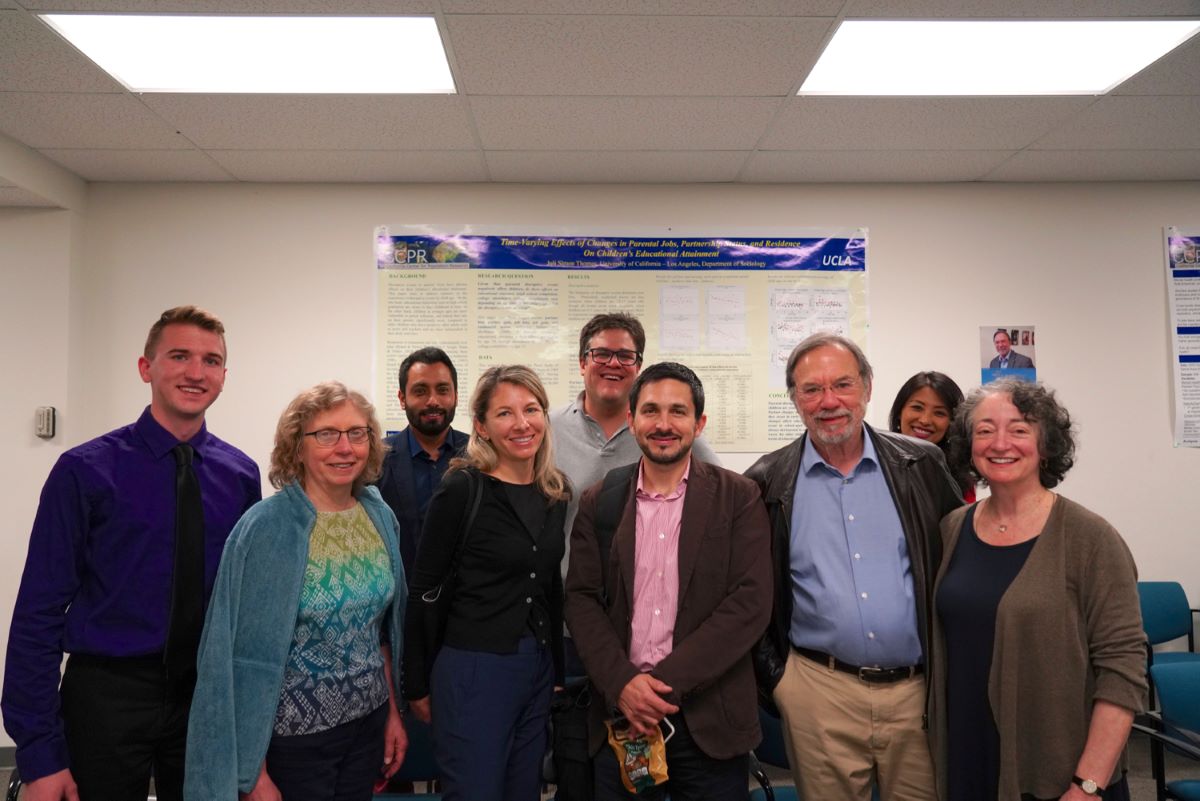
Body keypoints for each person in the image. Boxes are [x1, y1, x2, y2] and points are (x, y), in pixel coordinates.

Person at [1, 306, 261, 801]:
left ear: (224, 376)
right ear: (147, 368)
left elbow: (246, 609)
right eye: (179, 356)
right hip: (108, 695)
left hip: (203, 696)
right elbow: (38, 611)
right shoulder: (84, 471)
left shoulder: (241, 476)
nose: (195, 372)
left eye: (211, 361)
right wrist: (39, 755)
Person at [745, 333, 962, 801]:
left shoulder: (921, 464)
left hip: (917, 693)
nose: (829, 402)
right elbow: (749, 595)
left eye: (842, 385)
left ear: (866, 388)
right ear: (794, 399)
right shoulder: (765, 482)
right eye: (811, 389)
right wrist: (780, 682)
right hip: (818, 692)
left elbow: (957, 566)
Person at [185, 382, 407, 801]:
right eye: (326, 434)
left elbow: (380, 632)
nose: (345, 447)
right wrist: (252, 773)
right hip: (292, 742)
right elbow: (236, 660)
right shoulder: (264, 529)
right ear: (297, 447)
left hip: (366, 725)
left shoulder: (378, 515)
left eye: (357, 433)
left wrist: (393, 715)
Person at [930, 378, 1145, 801]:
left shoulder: (1090, 537)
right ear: (969, 445)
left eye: (1020, 429)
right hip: (969, 757)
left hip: (1060, 771)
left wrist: (1088, 784)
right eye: (985, 430)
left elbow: (1123, 671)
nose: (1000, 442)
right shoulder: (953, 528)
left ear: (1045, 446)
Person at [565, 362, 772, 801]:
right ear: (631, 420)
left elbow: (749, 603)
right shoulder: (599, 500)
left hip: (710, 723)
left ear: (699, 423)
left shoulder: (739, 497)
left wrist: (658, 686)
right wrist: (623, 684)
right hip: (621, 721)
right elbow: (582, 600)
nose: (663, 424)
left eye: (678, 412)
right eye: (650, 411)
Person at [403, 365, 569, 801]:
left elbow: (551, 585)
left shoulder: (555, 491)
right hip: (472, 668)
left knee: (524, 792)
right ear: (481, 426)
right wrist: (415, 684)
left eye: (531, 409)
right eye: (505, 414)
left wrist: (554, 671)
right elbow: (423, 590)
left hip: (536, 668)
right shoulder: (461, 488)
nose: (521, 424)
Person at [551, 313, 717, 673]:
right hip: (567, 623)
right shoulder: (547, 430)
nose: (614, 363)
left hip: (649, 628)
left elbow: (722, 491)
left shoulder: (661, 432)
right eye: (601, 354)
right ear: (582, 362)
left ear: (638, 366)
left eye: (626, 356)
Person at [375, 346, 469, 579]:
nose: (433, 401)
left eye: (443, 390)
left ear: (455, 395)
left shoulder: (480, 457)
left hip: (465, 603)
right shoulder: (375, 459)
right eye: (420, 391)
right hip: (401, 600)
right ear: (402, 398)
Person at [888, 371, 976, 502]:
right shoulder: (877, 463)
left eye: (939, 413)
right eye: (917, 408)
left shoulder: (961, 480)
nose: (925, 420)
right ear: (900, 412)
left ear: (952, 422)